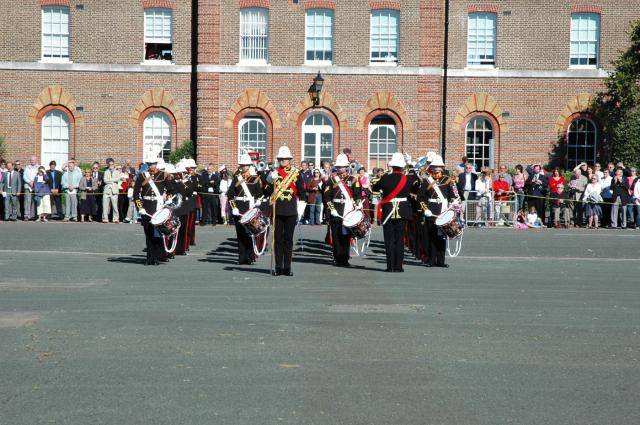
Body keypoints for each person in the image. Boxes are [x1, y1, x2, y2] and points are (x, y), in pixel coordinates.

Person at [371, 152, 419, 272]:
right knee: (400, 239)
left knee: (389, 239)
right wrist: (411, 165)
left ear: (392, 166)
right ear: (402, 166)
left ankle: (390, 266)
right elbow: (417, 183)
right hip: (402, 210)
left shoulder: (386, 177)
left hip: (388, 210)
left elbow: (375, 188)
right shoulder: (407, 178)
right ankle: (398, 266)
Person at [264, 146, 306, 276]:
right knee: (277, 240)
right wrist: (270, 180)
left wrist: (300, 209)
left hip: (291, 211)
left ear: (289, 160)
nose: (283, 161)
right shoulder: (273, 172)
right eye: (281, 159)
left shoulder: (296, 173)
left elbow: (302, 192)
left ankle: (287, 267)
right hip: (277, 210)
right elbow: (265, 191)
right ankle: (278, 267)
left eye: (285, 159)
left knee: (288, 240)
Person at [419, 155, 458, 268]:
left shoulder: (448, 180)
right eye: (434, 166)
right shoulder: (427, 180)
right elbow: (420, 197)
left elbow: (454, 195)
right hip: (431, 211)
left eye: (439, 166)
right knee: (431, 237)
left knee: (442, 237)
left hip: (443, 211)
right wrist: (425, 209)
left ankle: (441, 261)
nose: (437, 168)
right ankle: (431, 260)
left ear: (442, 167)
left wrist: (454, 203)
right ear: (431, 168)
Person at [324, 153, 362, 268]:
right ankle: (337, 258)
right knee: (336, 236)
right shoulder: (332, 179)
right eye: (339, 167)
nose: (340, 169)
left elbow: (357, 194)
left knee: (346, 236)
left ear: (347, 166)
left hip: (348, 211)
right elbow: (327, 196)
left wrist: (358, 203)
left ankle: (345, 258)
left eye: (342, 166)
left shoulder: (353, 179)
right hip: (336, 210)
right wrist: (331, 209)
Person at [228, 154, 264, 265]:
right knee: (240, 235)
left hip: (250, 207)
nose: (244, 167)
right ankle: (242, 258)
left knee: (251, 233)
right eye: (242, 165)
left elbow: (260, 194)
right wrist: (233, 208)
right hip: (239, 208)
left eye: (246, 165)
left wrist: (258, 201)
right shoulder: (236, 178)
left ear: (249, 165)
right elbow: (230, 195)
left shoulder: (255, 178)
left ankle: (250, 257)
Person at [133, 158, 168, 266]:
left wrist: (166, 196)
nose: (152, 166)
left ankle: (157, 257)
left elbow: (172, 189)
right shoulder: (142, 176)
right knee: (148, 233)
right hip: (147, 207)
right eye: (150, 164)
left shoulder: (164, 175)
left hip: (158, 207)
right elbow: (136, 194)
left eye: (153, 164)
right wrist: (140, 208)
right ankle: (149, 257)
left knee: (157, 233)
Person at [101, 158, 120, 223]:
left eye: (112, 164)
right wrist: (112, 180)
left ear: (114, 164)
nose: (111, 165)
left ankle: (115, 218)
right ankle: (105, 218)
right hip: (107, 190)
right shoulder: (106, 171)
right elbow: (105, 180)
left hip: (114, 191)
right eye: (110, 164)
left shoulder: (117, 172)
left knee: (115, 206)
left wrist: (110, 180)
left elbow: (118, 179)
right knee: (105, 205)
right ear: (108, 165)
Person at [22, 156, 40, 221]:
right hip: (28, 186)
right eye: (31, 160)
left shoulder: (39, 167)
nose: (32, 161)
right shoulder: (27, 167)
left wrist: (34, 183)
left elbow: (40, 176)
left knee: (36, 201)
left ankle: (36, 215)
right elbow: (24, 176)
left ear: (36, 160)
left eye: (34, 160)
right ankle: (27, 215)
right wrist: (29, 182)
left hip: (36, 186)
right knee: (27, 201)